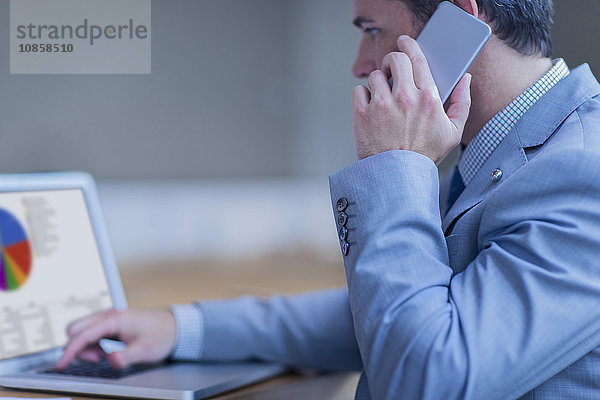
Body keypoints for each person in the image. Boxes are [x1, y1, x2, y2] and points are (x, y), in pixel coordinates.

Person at [57, 0, 600, 398]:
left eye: (371, 30)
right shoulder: (506, 152)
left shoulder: (581, 170)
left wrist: (394, 167)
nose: (360, 63)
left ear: (457, 21)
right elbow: (396, 314)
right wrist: (184, 328)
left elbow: (427, 380)